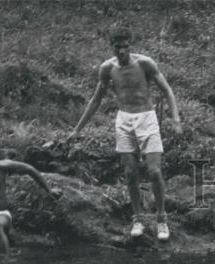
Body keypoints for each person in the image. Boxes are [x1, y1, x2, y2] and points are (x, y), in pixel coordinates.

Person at [66, 27, 183, 240]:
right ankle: (138, 218)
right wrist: (77, 130)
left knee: (154, 171)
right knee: (130, 173)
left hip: (146, 118)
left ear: (130, 45)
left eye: (125, 46)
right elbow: (96, 100)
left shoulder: (145, 63)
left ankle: (161, 219)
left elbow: (167, 90)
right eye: (117, 47)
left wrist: (175, 119)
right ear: (112, 47)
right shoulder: (107, 68)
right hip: (124, 119)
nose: (121, 51)